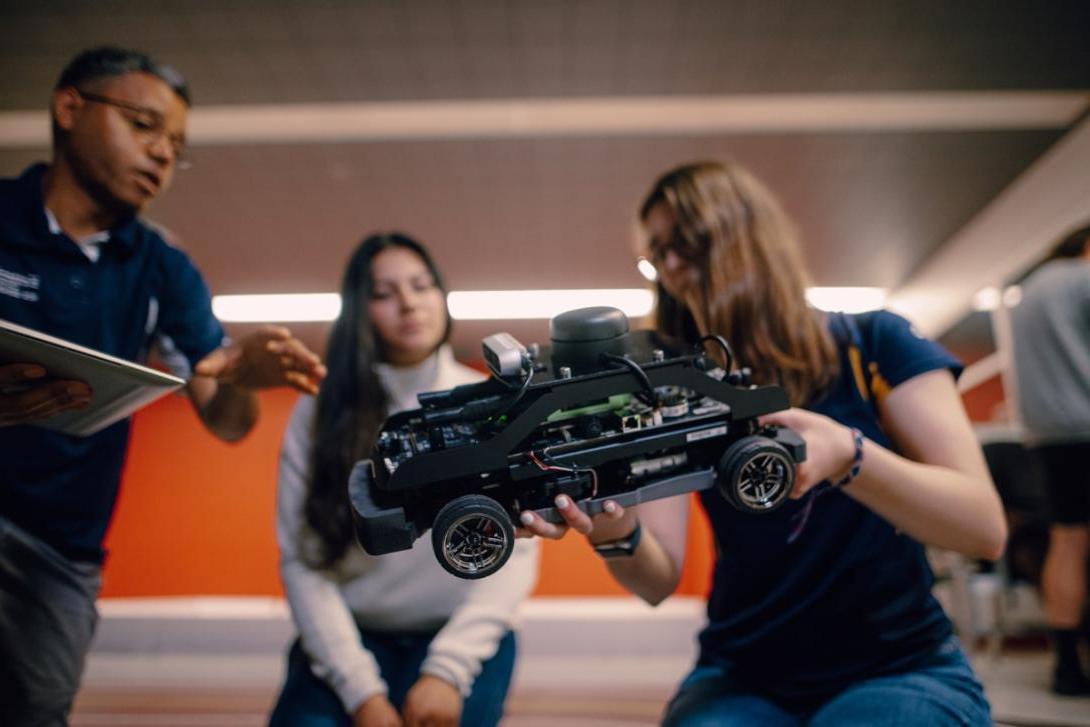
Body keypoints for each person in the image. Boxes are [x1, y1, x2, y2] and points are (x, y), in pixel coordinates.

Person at [520, 161, 1008, 725]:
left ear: (746, 233)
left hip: (896, 663)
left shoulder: (875, 343)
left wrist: (850, 455)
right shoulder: (673, 384)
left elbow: (985, 530)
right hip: (742, 673)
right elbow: (658, 580)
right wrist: (614, 531)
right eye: (658, 254)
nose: (673, 266)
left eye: (688, 242)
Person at [0, 47, 325, 724]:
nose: (162, 156)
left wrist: (243, 378)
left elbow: (227, 419)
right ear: (69, 108)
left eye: (176, 145)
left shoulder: (162, 268)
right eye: (144, 125)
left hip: (60, 549)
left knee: (35, 708)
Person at [270, 232, 539, 727]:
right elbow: (302, 562)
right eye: (384, 293)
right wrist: (361, 694)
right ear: (359, 311)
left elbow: (515, 559)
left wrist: (447, 672)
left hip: (460, 637)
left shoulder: (490, 406)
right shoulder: (318, 411)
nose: (409, 303)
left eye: (421, 285)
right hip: (350, 636)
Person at [1010, 224, 1090, 696]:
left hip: (1048, 435)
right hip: (1087, 422)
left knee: (1067, 539)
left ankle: (1065, 663)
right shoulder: (1082, 280)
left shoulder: (1028, 293)